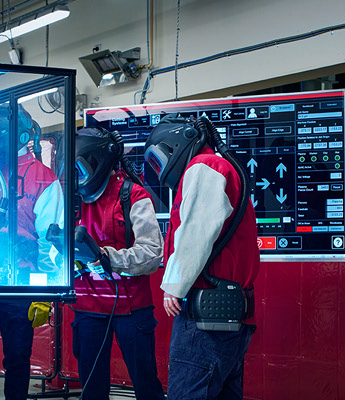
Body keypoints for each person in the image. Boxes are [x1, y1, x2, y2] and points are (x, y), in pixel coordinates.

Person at [33, 127, 165, 400]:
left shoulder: (133, 196)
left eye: (79, 172)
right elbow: (54, 249)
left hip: (132, 310)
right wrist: (67, 259)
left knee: (146, 386)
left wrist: (107, 258)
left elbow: (152, 253)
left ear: (97, 163)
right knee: (92, 389)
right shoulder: (73, 200)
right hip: (88, 310)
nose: (75, 180)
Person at [144, 115, 258, 400]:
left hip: (205, 320)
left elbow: (196, 231)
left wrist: (174, 284)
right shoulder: (218, 167)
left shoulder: (206, 166)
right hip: (226, 316)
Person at [0, 103, 57, 400]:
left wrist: (45, 291)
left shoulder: (43, 178)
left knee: (17, 358)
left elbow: (50, 241)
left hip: (20, 282)